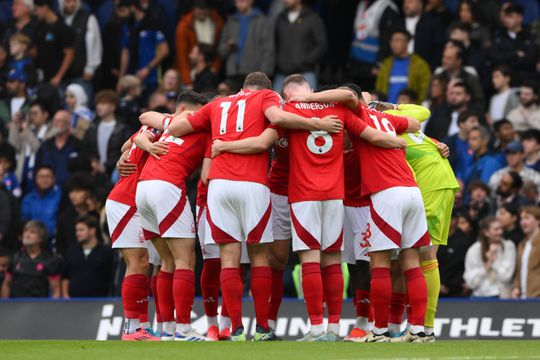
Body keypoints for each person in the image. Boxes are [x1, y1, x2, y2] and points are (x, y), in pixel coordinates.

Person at [141, 72, 344, 341]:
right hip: (253, 184)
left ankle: (234, 329)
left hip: (219, 187)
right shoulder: (267, 98)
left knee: (228, 258)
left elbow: (176, 128)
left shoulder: (217, 104)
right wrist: (317, 121)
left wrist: (214, 142)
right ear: (266, 90)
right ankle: (261, 329)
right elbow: (277, 122)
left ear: (242, 88)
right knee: (260, 257)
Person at [133, 91, 210, 342]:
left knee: (167, 262)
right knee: (185, 259)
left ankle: (167, 329)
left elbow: (145, 116)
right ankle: (184, 330)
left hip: (143, 187)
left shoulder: (168, 125)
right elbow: (206, 175)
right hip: (166, 186)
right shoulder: (205, 126)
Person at [105, 118, 165, 342]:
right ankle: (131, 327)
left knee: (148, 263)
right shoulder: (161, 127)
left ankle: (143, 326)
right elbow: (137, 139)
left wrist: (129, 152)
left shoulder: (158, 126)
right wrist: (147, 146)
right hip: (126, 200)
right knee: (137, 262)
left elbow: (127, 145)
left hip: (140, 202)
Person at [119, 0, 169, 97]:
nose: (122, 14)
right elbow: (125, 52)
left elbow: (164, 50)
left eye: (123, 10)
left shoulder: (152, 23)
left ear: (132, 7)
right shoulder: (127, 26)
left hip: (150, 77)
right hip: (131, 76)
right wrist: (121, 78)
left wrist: (148, 68)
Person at [273, 0, 326, 92]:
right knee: (276, 104)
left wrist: (305, 61)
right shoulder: (280, 18)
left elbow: (321, 45)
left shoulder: (312, 18)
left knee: (308, 104)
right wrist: (279, 62)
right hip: (282, 73)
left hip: (305, 73)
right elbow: (274, 43)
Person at [0, 220, 61, 298]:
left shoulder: (50, 260)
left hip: (39, 306)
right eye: (25, 231)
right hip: (16, 306)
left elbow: (55, 290)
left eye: (32, 232)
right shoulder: (16, 258)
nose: (27, 235)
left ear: (41, 238)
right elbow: (6, 284)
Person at [218, 0, 274, 82]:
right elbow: (221, 51)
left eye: (242, 1)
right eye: (237, 2)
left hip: (255, 75)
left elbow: (268, 50)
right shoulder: (231, 21)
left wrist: (264, 75)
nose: (239, 4)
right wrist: (228, 46)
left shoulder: (262, 21)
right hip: (233, 73)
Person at [8, 99, 54, 193]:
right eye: (31, 113)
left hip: (40, 173)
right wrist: (15, 125)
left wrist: (25, 131)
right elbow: (14, 147)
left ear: (45, 115)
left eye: (35, 113)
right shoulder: (29, 130)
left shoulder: (51, 131)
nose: (32, 117)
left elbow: (38, 148)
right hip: (24, 175)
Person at [175, 0, 223, 90]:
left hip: (211, 70)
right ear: (193, 8)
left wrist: (215, 68)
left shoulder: (217, 22)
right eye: (199, 8)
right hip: (192, 71)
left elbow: (220, 48)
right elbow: (182, 56)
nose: (202, 11)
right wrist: (187, 81)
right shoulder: (184, 26)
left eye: (205, 8)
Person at [61, 215, 113, 298]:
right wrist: (66, 296)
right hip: (73, 303)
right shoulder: (71, 252)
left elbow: (111, 278)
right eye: (76, 230)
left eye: (81, 230)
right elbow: (65, 277)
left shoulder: (106, 252)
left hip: (99, 302)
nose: (77, 233)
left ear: (92, 231)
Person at [375, 28, 430, 104]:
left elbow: (424, 90)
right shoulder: (386, 64)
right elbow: (379, 89)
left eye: (398, 40)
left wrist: (416, 107)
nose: (393, 44)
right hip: (387, 111)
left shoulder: (420, 65)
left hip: (409, 112)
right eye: (392, 40)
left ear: (407, 43)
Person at [464, 217, 516, 298]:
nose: (500, 232)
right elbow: (471, 282)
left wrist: (494, 261)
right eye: (496, 229)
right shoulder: (474, 250)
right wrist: (488, 264)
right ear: (486, 232)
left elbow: (507, 277)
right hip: (479, 297)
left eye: (501, 228)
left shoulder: (509, 246)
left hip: (502, 297)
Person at [83, 90, 131, 177]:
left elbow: (126, 151)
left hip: (116, 172)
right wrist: (93, 162)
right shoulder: (92, 127)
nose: (98, 107)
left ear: (113, 107)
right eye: (98, 103)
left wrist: (106, 166)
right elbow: (86, 149)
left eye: (103, 103)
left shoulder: (123, 128)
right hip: (95, 172)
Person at [58, 0, 103, 91]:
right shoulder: (59, 20)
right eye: (68, 2)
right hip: (62, 76)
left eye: (74, 1)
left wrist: (90, 67)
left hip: (80, 73)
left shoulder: (87, 18)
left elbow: (95, 43)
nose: (72, 4)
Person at [489, 3, 538, 86]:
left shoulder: (530, 36)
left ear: (520, 18)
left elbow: (530, 59)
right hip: (507, 84)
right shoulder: (499, 37)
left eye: (510, 16)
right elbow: (495, 58)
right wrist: (515, 54)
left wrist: (508, 60)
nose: (506, 20)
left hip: (527, 81)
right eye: (505, 17)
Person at [35, 110, 83, 187]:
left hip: (71, 190)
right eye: (55, 121)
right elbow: (37, 167)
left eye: (61, 121)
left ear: (68, 124)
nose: (57, 124)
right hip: (48, 191)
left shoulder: (78, 145)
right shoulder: (45, 145)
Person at [33, 0, 75, 86]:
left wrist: (59, 76)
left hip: (58, 80)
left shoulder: (62, 28)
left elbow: (69, 54)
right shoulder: (39, 27)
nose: (35, 13)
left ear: (45, 7)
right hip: (42, 78)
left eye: (36, 9)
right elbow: (36, 50)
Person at [434, 42, 485, 110]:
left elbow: (479, 102)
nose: (444, 61)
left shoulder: (470, 78)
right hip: (441, 117)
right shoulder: (437, 78)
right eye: (444, 57)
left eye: (449, 58)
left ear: (459, 61)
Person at [397, 0, 444, 69]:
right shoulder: (397, 23)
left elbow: (438, 48)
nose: (406, 5)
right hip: (399, 68)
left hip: (424, 69)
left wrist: (430, 68)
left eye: (410, 2)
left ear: (420, 3)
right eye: (405, 2)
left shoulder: (432, 23)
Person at [56, 173, 95, 256]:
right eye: (71, 191)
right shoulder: (64, 217)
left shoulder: (97, 214)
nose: (73, 195)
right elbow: (60, 244)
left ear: (88, 192)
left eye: (78, 191)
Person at [438, 212, 474, 297]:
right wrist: (437, 284)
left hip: (456, 291)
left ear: (455, 221)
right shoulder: (433, 239)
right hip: (434, 287)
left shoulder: (464, 242)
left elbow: (465, 266)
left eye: (447, 217)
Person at [20, 165, 61, 238]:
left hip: (54, 240)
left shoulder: (60, 197)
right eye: (41, 177)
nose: (44, 180)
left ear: (54, 179)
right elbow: (24, 221)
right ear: (35, 179)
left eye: (48, 177)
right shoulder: (28, 199)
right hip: (33, 241)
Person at [513, 206, 540, 298]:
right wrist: (516, 287)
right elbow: (519, 270)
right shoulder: (522, 244)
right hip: (524, 297)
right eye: (521, 219)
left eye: (527, 218)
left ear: (538, 220)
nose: (523, 222)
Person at [445, 110, 479, 181]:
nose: (476, 124)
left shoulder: (479, 143)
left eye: (477, 121)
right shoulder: (449, 143)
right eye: (472, 121)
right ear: (461, 124)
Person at [0, 68, 30, 134]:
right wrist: (4, 127)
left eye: (12, 81)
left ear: (22, 84)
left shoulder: (32, 103)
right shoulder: (1, 104)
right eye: (7, 81)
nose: (7, 85)